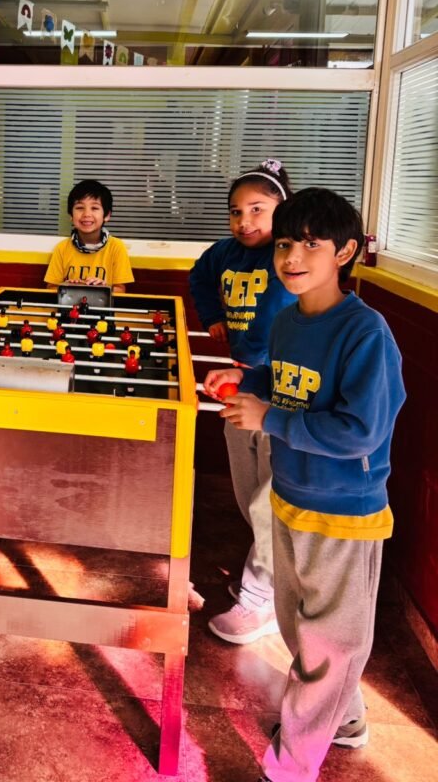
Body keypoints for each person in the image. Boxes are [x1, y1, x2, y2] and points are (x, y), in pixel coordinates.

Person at [203, 188, 406, 782]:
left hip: (343, 511)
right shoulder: (290, 321)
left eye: (311, 244)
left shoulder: (365, 333)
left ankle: (291, 765)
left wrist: (269, 418)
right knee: (297, 627)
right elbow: (286, 377)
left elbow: (361, 431)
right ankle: (345, 717)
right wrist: (246, 379)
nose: (291, 257)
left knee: (330, 645)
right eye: (286, 243)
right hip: (290, 496)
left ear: (344, 252)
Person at [190, 159, 294, 644]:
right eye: (236, 211)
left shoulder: (289, 257)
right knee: (249, 495)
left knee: (271, 501)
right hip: (242, 381)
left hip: (287, 393)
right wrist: (212, 314)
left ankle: (262, 598)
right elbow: (199, 277)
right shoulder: (225, 252)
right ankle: (269, 577)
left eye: (258, 209)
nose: (245, 221)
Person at [44, 179, 133, 293]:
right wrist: (67, 287)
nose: (86, 214)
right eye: (80, 208)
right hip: (70, 304)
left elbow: (121, 290)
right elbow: (51, 287)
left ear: (107, 215)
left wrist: (103, 288)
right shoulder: (62, 248)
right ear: (71, 215)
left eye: (94, 208)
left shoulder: (116, 247)